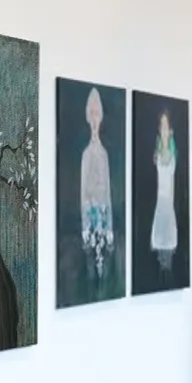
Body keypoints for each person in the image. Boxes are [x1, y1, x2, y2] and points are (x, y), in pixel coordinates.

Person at [80, 86, 114, 279]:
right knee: (91, 267)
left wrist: (109, 226)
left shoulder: (103, 154)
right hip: (90, 216)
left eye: (97, 113)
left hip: (102, 216)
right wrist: (86, 223)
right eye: (91, 113)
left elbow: (107, 193)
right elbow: (83, 192)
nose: (94, 118)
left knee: (104, 268)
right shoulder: (86, 155)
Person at [151, 109, 179, 276]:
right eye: (161, 126)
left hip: (168, 206)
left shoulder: (173, 155)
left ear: (170, 130)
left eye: (166, 126)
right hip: (160, 205)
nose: (163, 130)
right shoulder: (156, 155)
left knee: (168, 251)